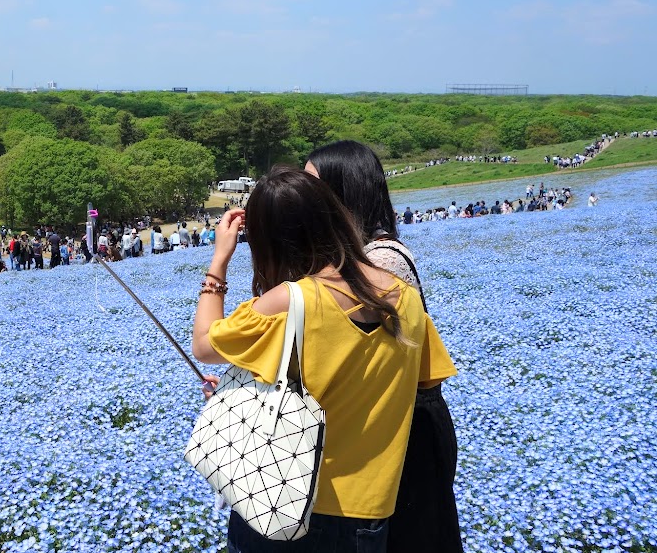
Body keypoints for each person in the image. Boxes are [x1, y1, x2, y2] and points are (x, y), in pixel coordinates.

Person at [191, 166, 456, 553]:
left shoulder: (290, 300)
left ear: (270, 241)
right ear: (335, 215)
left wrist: (219, 260)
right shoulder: (407, 300)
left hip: (287, 506)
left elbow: (203, 344)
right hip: (369, 514)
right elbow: (402, 384)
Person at [306, 140, 463, 553]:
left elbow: (367, 363)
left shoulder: (381, 261)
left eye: (312, 185)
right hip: (391, 426)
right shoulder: (358, 254)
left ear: (344, 192)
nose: (304, 196)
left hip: (407, 432)